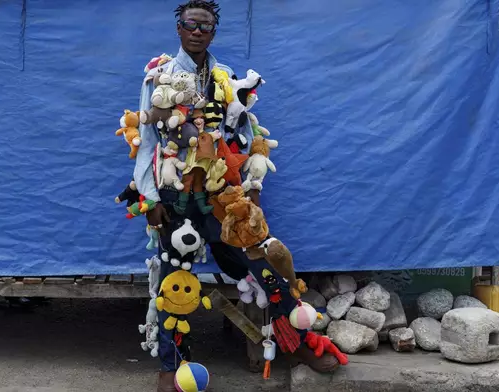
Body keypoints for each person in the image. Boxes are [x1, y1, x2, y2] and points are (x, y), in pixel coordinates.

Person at [132, 2, 347, 390]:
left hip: (222, 193)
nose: (197, 31)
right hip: (174, 193)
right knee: (172, 279)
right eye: (190, 24)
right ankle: (172, 366)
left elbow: (244, 133)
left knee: (258, 260)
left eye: (206, 25)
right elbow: (147, 141)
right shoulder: (157, 76)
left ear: (214, 31)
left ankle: (296, 341)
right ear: (178, 28)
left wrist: (248, 180)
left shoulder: (227, 77)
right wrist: (150, 199)